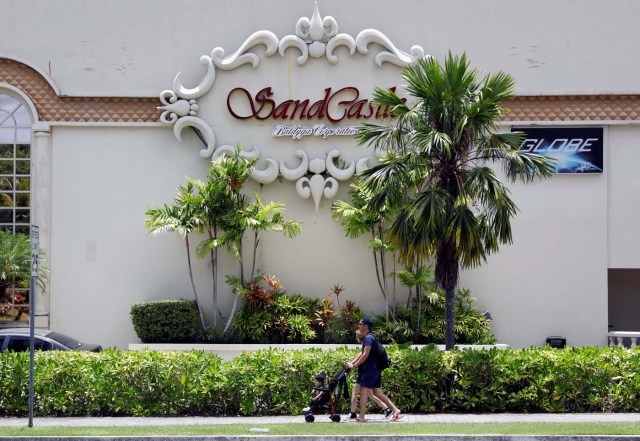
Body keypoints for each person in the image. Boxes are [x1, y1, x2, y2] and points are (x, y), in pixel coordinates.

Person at [345, 316, 402, 422]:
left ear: (366, 326)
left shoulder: (368, 338)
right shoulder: (370, 338)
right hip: (375, 369)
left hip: (370, 369)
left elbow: (365, 354)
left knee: (363, 391)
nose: (359, 325)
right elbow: (362, 353)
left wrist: (354, 365)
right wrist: (353, 363)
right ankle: (395, 410)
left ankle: (361, 417)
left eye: (360, 324)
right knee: (376, 392)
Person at [348, 329, 392, 420]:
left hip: (366, 372)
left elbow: (362, 356)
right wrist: (351, 364)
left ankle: (353, 413)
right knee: (370, 394)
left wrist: (353, 365)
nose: (356, 338)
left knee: (357, 392)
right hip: (364, 372)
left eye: (356, 336)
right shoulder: (365, 345)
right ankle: (387, 409)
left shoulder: (366, 345)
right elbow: (358, 356)